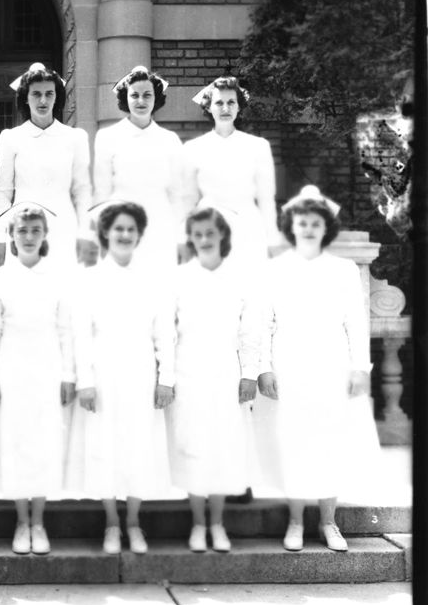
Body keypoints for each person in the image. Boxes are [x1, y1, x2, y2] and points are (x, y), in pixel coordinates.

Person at [257, 186, 379, 553]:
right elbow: (264, 322)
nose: (308, 228)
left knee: (328, 440)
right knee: (293, 441)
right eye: (301, 222)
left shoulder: (342, 270)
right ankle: (295, 521)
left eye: (315, 223)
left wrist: (360, 368)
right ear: (290, 226)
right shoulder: (274, 269)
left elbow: (356, 323)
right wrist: (264, 367)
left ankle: (329, 521)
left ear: (325, 227)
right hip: (289, 361)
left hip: (331, 362)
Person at [66, 201, 175, 555]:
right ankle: (112, 522)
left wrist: (166, 378)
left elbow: (164, 334)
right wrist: (84, 380)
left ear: (139, 235)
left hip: (141, 371)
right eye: (118, 229)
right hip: (103, 371)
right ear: (106, 234)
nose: (124, 235)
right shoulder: (89, 279)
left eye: (130, 229)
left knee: (138, 445)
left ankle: (134, 521)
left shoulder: (154, 279)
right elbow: (80, 333)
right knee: (105, 445)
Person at [0, 204, 76, 554]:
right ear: (11, 235)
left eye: (35, 230)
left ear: (44, 235)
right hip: (11, 365)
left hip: (47, 363)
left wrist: (67, 374)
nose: (28, 237)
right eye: (22, 231)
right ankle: (21, 521)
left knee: (44, 440)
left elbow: (65, 329)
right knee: (15, 441)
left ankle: (39, 520)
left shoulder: (58, 277)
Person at [167, 207, 260, 552]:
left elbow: (250, 332)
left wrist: (248, 373)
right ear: (191, 238)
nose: (204, 240)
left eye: (210, 233)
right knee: (194, 443)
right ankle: (197, 522)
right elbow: (166, 330)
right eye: (198, 234)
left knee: (222, 444)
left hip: (225, 371)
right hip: (187, 370)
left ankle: (217, 523)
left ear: (222, 235)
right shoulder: (178, 279)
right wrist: (166, 376)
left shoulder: (239, 277)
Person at [0, 63, 93, 270]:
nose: (43, 100)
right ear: (25, 98)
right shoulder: (11, 138)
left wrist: (85, 234)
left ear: (57, 97)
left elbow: (82, 191)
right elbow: (2, 193)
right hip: (23, 229)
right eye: (36, 94)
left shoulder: (75, 137)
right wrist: (0, 238)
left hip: (64, 228)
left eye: (49, 93)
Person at [94, 66, 186, 270]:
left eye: (147, 95)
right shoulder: (107, 138)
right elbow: (102, 193)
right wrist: (101, 237)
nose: (141, 101)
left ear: (156, 98)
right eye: (134, 95)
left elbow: (177, 195)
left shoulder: (170, 141)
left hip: (160, 228)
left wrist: (181, 236)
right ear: (125, 98)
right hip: (122, 230)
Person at [182, 76, 279, 267]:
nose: (225, 108)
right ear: (209, 107)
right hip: (209, 230)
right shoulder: (193, 148)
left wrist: (272, 240)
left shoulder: (258, 146)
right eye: (219, 103)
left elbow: (267, 199)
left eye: (231, 102)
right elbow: (187, 199)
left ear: (239, 107)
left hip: (248, 229)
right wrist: (182, 237)